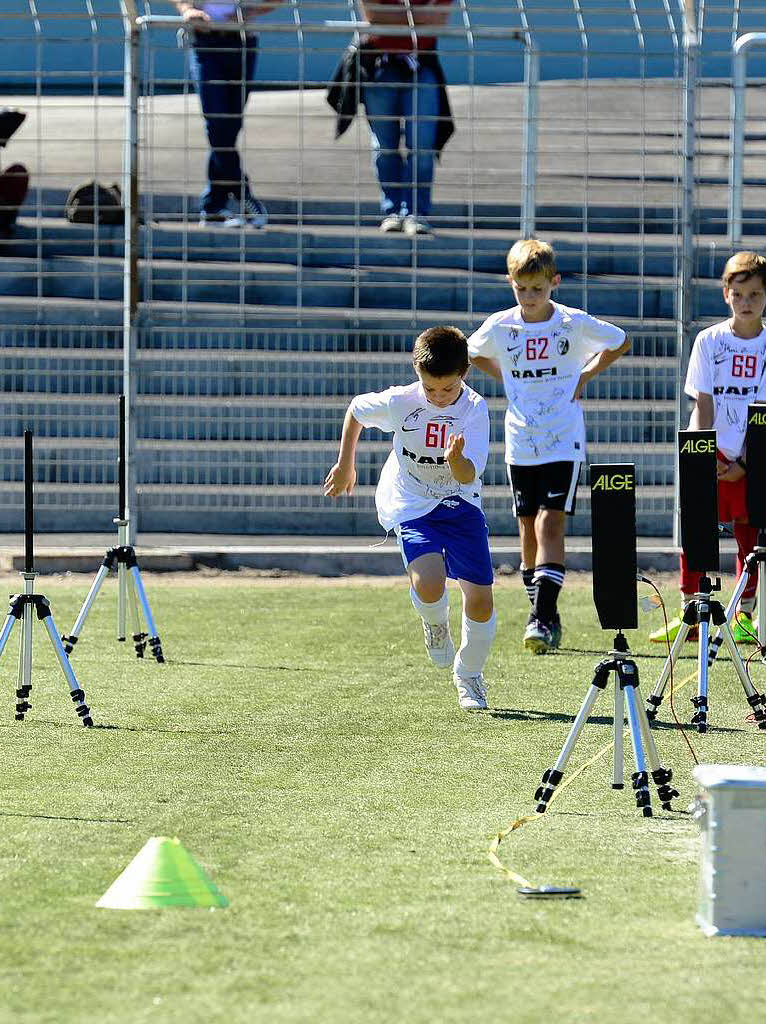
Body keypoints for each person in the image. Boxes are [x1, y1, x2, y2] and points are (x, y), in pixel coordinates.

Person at [468, 238, 630, 655]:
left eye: (537, 288)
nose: (530, 296)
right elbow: (472, 354)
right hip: (521, 439)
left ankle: (539, 617)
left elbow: (620, 341)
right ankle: (546, 612)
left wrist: (584, 376)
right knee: (526, 528)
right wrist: (506, 375)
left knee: (548, 523)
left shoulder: (572, 323)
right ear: (511, 284)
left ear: (553, 283)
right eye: (522, 288)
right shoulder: (502, 326)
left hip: (563, 438)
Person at [324, 325, 496, 710]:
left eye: (447, 390)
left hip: (460, 504)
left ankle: (468, 675)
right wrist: (345, 464)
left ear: (464, 373)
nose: (438, 397)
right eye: (430, 388)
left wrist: (457, 462)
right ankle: (435, 624)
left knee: (481, 604)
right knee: (430, 585)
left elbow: (471, 474)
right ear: (417, 372)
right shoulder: (401, 401)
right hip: (413, 503)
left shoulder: (474, 409)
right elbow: (356, 410)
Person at [650, 250, 766, 646]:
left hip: (755, 458)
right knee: (697, 532)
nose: (746, 303)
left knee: (750, 537)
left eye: (754, 294)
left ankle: (744, 614)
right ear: (725, 294)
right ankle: (691, 613)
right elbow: (704, 402)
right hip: (709, 455)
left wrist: (747, 464)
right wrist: (706, 456)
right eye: (739, 294)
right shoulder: (709, 341)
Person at [327, 0, 455, 237]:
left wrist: (391, 18)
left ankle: (416, 213)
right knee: (384, 146)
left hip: (421, 65)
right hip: (378, 67)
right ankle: (393, 211)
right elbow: (372, 14)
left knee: (422, 145)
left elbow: (438, 19)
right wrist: (416, 17)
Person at [173, 2, 281, 227]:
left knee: (230, 126)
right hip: (205, 39)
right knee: (217, 120)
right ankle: (242, 194)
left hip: (242, 40)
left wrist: (250, 12)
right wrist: (187, 9)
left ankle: (214, 205)